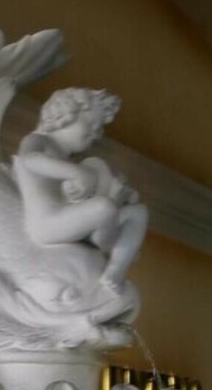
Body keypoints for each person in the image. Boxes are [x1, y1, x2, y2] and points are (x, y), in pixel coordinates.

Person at [13, 86, 148, 295]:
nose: (96, 134)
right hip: (46, 224)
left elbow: (73, 197)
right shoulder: (39, 140)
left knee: (138, 213)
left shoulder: (71, 160)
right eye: (91, 124)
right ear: (65, 114)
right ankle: (109, 242)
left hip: (68, 221)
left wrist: (120, 195)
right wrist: (76, 173)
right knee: (104, 207)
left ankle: (116, 270)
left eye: (98, 129)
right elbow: (30, 160)